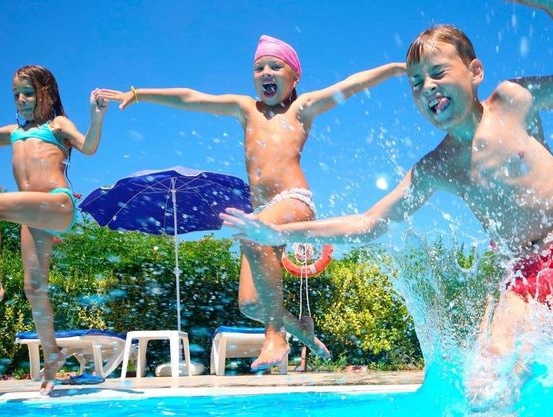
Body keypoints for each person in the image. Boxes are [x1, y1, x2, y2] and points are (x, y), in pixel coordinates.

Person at [221, 2, 553, 414]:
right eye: (417, 83)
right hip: (521, 277)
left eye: (439, 73)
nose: (428, 88)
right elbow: (368, 224)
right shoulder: (436, 167)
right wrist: (279, 233)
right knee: (485, 392)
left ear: (474, 71)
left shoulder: (513, 102)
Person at [99, 35, 405, 370]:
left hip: (294, 201)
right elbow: (192, 98)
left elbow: (351, 84)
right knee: (250, 303)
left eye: (275, 66)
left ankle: (276, 335)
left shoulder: (301, 109)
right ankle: (301, 329)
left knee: (254, 235)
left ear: (294, 77)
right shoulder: (246, 109)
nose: (266, 72)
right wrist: (141, 94)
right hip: (262, 212)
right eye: (259, 67)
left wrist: (394, 69)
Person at [0, 65, 109, 394]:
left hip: (56, 203)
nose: (22, 99)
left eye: (29, 92)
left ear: (47, 94)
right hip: (34, 216)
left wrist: (96, 116)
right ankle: (52, 355)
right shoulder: (14, 131)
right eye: (16, 94)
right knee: (34, 288)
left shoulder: (58, 125)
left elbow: (90, 146)